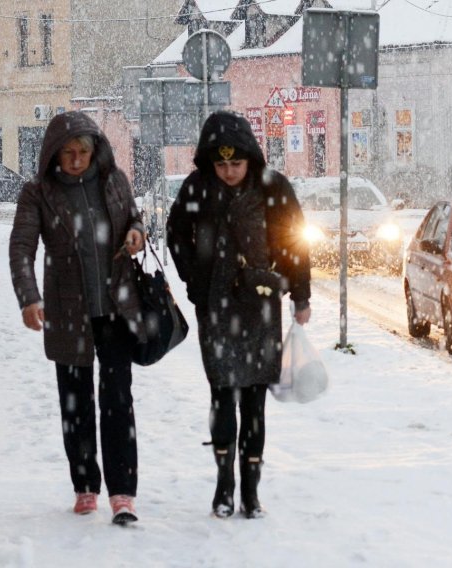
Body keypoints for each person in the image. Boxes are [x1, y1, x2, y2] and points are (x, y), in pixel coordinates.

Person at [167, 111, 311, 519]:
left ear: (250, 158)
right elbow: (176, 232)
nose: (229, 171)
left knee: (254, 400)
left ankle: (251, 489)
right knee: (221, 395)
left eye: (236, 163)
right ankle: (223, 485)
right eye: (221, 164)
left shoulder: (272, 187)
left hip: (261, 305)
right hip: (215, 307)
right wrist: (194, 279)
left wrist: (298, 294)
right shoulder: (198, 188)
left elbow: (296, 242)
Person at [8, 111, 146, 524]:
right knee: (76, 403)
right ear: (53, 154)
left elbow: (135, 218)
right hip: (68, 311)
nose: (75, 160)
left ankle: (122, 492)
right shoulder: (39, 193)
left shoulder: (113, 180)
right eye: (67, 152)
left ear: (94, 150)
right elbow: (21, 249)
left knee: (118, 401)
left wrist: (137, 232)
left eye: (82, 151)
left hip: (117, 310)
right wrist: (28, 298)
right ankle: (85, 483)